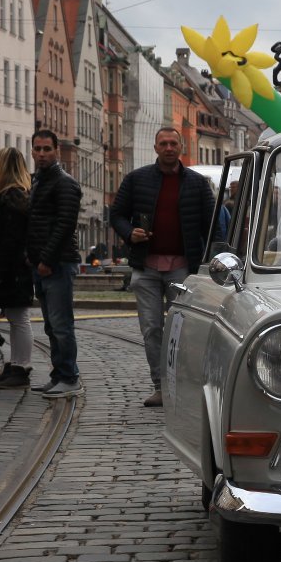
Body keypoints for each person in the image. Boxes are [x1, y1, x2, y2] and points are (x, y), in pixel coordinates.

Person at [110, 127, 217, 408]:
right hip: (146, 266)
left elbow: (212, 226)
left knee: (182, 330)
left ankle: (181, 385)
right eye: (163, 143)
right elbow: (116, 214)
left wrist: (212, 262)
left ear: (181, 147)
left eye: (173, 143)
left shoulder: (197, 183)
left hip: (182, 268)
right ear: (156, 147)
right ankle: (160, 385)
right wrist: (129, 233)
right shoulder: (136, 179)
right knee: (151, 329)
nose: (169, 148)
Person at [27, 129, 83, 398]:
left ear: (57, 150)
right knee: (51, 325)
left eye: (47, 149)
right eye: (37, 149)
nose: (41, 154)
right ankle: (59, 374)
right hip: (42, 263)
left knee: (61, 325)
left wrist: (46, 259)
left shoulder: (64, 183)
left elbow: (64, 225)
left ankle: (69, 377)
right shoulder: (38, 180)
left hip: (57, 263)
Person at [0, 146, 36, 391]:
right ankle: (14, 366)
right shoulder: (15, 194)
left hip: (13, 270)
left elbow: (9, 240)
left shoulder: (11, 197)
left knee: (19, 318)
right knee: (15, 318)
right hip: (15, 268)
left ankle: (21, 368)